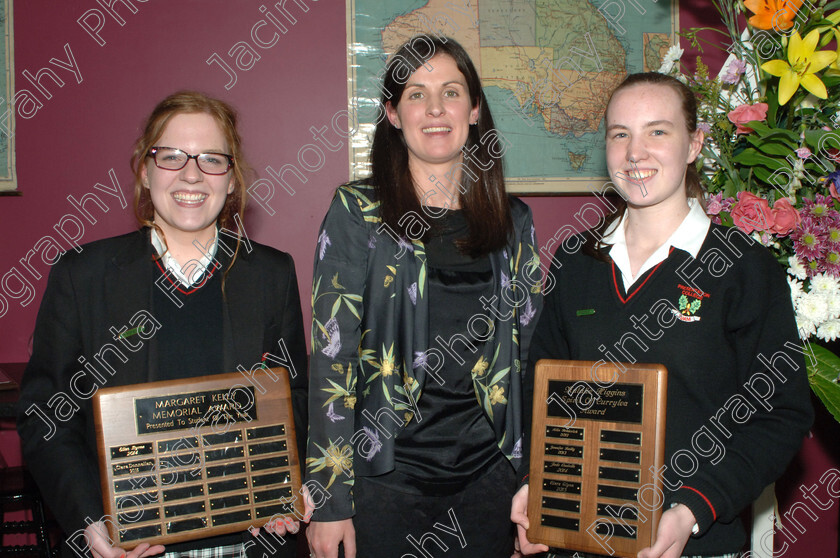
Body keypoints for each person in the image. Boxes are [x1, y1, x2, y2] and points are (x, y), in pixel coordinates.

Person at [511, 72, 814, 557]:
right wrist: (537, 485)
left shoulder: (743, 270)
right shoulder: (575, 262)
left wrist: (692, 508)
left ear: (693, 144)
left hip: (693, 542)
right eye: (619, 134)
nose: (635, 153)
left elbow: (782, 414)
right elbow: (541, 393)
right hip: (577, 538)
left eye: (657, 131)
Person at [16, 91, 308, 558]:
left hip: (251, 543)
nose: (191, 174)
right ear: (144, 170)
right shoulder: (82, 275)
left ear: (231, 179)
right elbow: (46, 417)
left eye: (212, 159)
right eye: (171, 156)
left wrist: (283, 483)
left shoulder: (271, 274)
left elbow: (296, 397)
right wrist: (90, 521)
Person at [303, 35, 543, 558]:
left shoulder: (513, 220)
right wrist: (328, 499)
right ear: (392, 114)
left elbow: (530, 357)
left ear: (475, 109)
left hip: (489, 480)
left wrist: (534, 480)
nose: (435, 109)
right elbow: (331, 359)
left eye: (451, 92)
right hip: (384, 480)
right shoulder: (355, 212)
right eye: (415, 94)